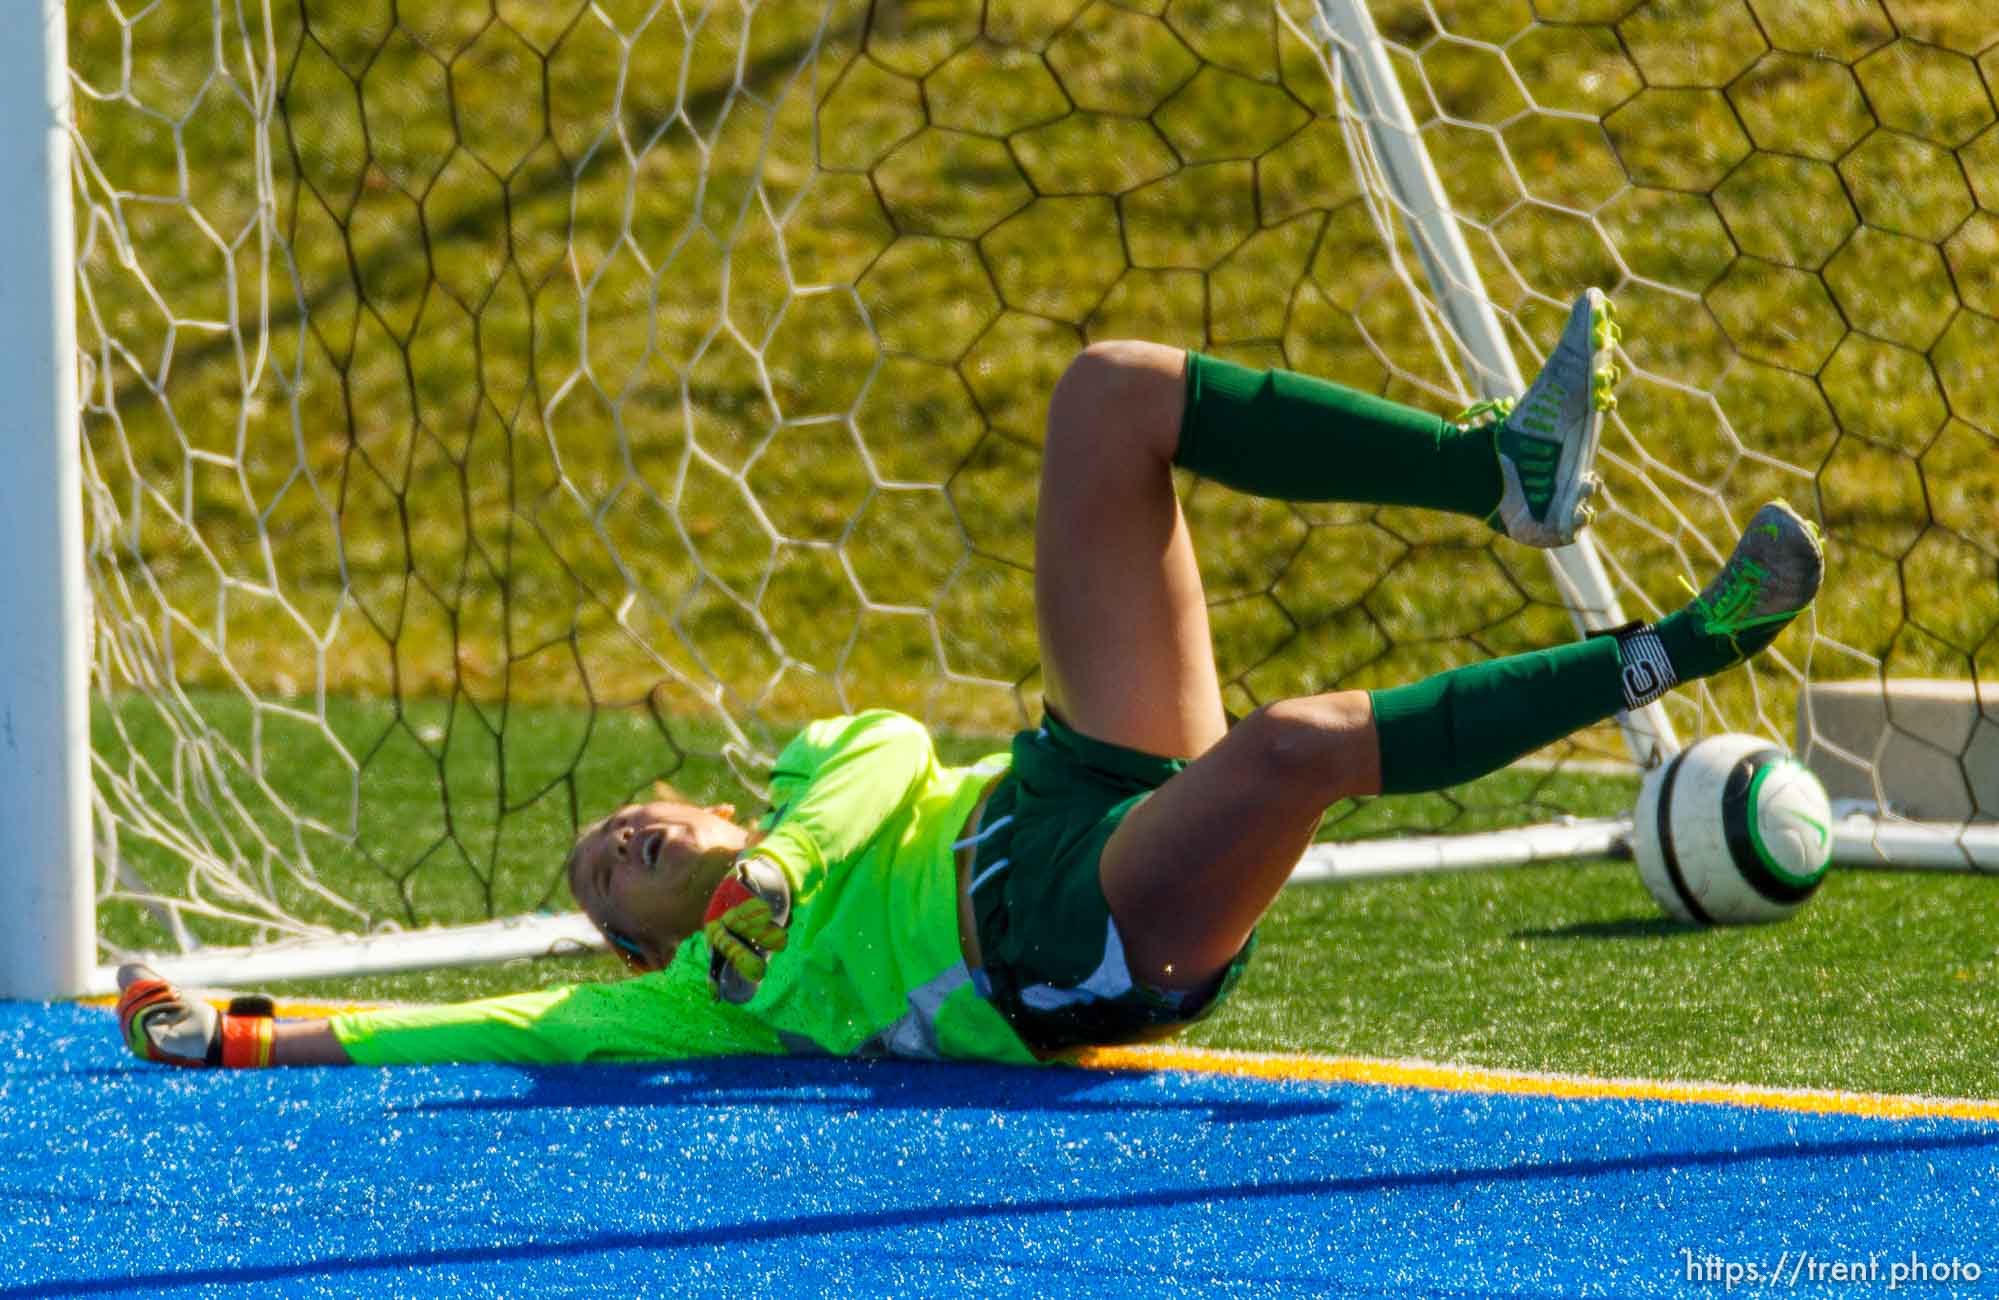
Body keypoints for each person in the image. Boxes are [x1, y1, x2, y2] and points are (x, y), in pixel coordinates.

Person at [115, 290, 1824, 1070]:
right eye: (604, 879)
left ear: (712, 804)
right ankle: (1682, 643)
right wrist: (246, 1037)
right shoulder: (707, 999)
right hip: (1058, 954)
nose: (619, 836)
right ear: (640, 944)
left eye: (627, 819)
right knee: (1298, 745)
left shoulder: (820, 777)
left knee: (1106, 394)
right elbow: (481, 1026)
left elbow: (867, 765)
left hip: (1065, 789)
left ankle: (1500, 474)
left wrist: (782, 861)